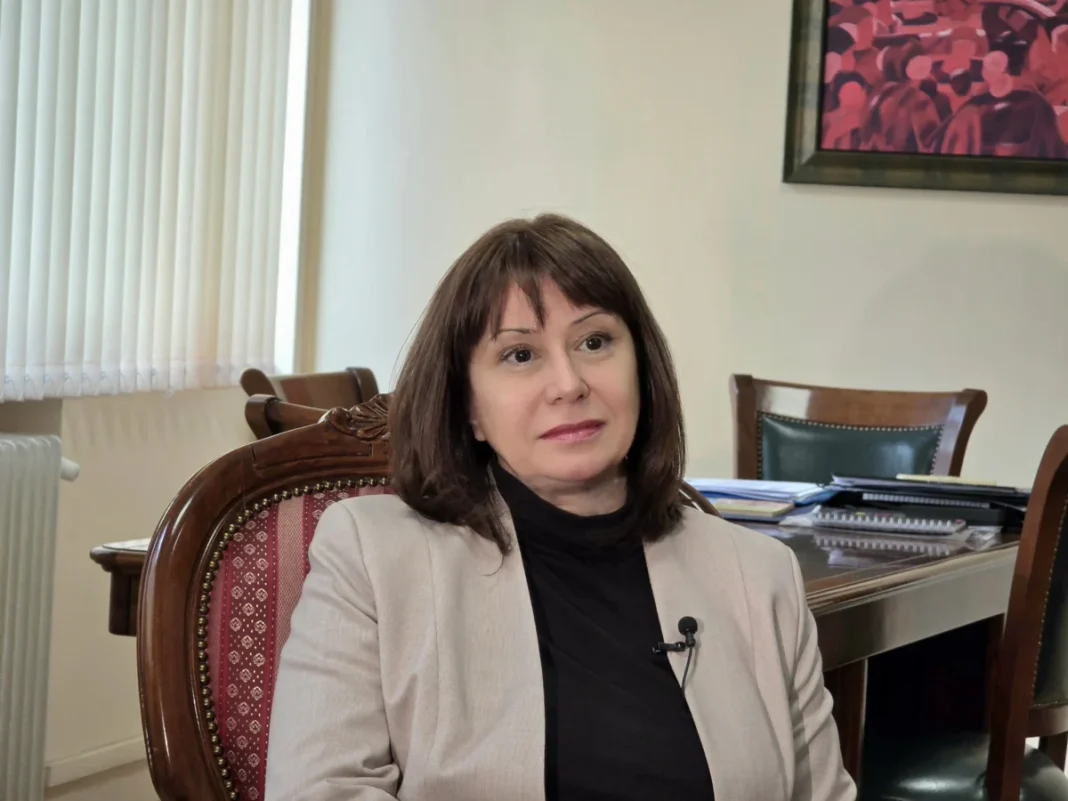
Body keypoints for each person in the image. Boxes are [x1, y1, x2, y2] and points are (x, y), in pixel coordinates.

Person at [264, 214, 857, 801]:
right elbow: (321, 790)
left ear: (642, 369)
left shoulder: (759, 575)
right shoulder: (373, 557)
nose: (569, 384)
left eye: (594, 342)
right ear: (469, 406)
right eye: (520, 355)